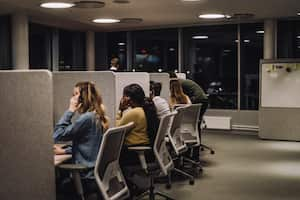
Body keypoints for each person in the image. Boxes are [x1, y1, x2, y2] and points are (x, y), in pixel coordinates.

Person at [53, 81, 109, 179]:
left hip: (85, 176)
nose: (72, 98)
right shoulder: (96, 116)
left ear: (82, 97)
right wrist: (65, 151)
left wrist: (70, 110)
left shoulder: (87, 118)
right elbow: (91, 146)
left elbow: (57, 135)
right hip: (94, 173)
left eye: (75, 95)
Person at [169, 72, 209, 161]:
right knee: (195, 124)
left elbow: (178, 99)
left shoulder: (177, 83)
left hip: (198, 99)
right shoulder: (182, 83)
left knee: (193, 124)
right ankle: (193, 154)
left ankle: (189, 153)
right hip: (203, 100)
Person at [117, 83, 159, 165]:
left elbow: (117, 129)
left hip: (133, 152)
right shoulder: (145, 108)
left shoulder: (135, 113)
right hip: (146, 149)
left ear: (128, 98)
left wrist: (120, 110)